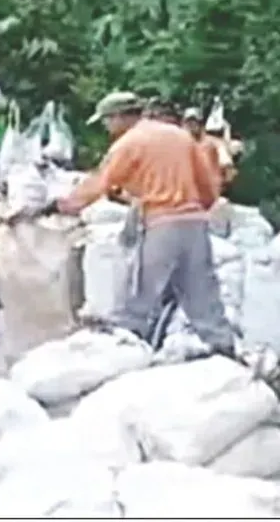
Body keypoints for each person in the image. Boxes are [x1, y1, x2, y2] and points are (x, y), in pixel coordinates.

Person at [39, 92, 235, 357]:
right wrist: (198, 207)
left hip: (162, 224)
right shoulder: (180, 136)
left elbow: (100, 183)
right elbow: (208, 185)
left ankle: (126, 349)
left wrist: (61, 205)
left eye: (107, 121)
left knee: (143, 290)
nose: (107, 128)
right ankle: (223, 347)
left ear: (121, 116)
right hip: (195, 224)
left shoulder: (129, 143)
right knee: (202, 289)